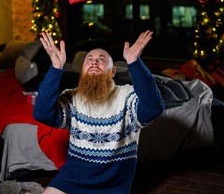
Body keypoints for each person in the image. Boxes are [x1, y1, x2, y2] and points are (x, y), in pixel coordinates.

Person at [33, 30, 165, 194]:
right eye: (89, 60)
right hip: (72, 179)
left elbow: (154, 108)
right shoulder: (72, 97)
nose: (94, 62)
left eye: (101, 60)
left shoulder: (126, 96)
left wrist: (134, 62)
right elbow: (42, 114)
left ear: (113, 72)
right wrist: (56, 68)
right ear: (82, 70)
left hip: (112, 186)